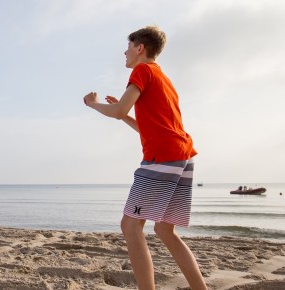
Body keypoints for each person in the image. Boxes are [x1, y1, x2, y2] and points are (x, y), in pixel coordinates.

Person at [83, 26, 207, 290]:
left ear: (140, 48)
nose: (124, 52)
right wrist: (123, 113)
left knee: (130, 225)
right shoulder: (163, 78)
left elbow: (118, 110)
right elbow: (145, 127)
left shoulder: (142, 71)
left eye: (128, 46)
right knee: (164, 230)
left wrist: (94, 104)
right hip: (182, 154)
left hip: (163, 157)